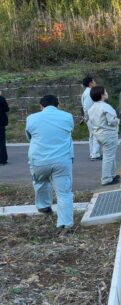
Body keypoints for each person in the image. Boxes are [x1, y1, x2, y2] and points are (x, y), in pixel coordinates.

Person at [25, 95, 74, 236]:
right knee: (64, 193)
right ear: (58, 105)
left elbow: (29, 137)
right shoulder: (67, 116)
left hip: (39, 160)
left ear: (41, 106)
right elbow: (69, 131)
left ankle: (44, 206)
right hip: (62, 159)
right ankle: (65, 224)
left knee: (40, 182)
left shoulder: (31, 118)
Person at [88, 86, 121, 186]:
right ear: (102, 95)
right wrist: (117, 121)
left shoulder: (92, 108)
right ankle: (106, 178)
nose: (107, 93)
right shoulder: (105, 106)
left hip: (98, 134)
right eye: (105, 91)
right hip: (108, 134)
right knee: (108, 157)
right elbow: (111, 121)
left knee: (110, 155)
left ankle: (112, 175)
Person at [81, 76, 102, 160]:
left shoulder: (87, 92)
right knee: (96, 134)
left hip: (90, 117)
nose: (95, 82)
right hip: (92, 117)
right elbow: (86, 107)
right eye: (94, 81)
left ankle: (92, 153)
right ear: (90, 83)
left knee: (92, 135)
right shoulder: (89, 92)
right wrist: (87, 117)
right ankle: (95, 154)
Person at [0, 90, 8, 165]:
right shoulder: (2, 99)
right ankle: (2, 160)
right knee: (2, 142)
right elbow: (6, 109)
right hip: (1, 123)